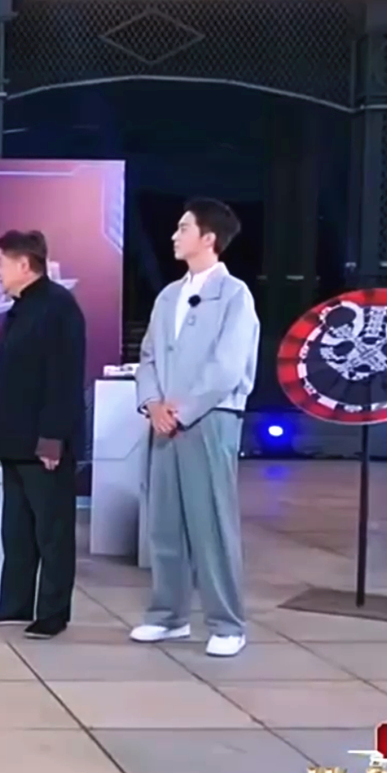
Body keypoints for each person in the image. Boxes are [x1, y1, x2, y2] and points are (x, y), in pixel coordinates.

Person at [131, 198, 259, 658]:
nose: (174, 235)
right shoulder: (169, 295)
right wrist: (152, 404)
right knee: (164, 522)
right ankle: (169, 616)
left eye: (183, 228)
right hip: (163, 421)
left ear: (208, 238)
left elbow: (227, 366)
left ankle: (227, 624)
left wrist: (181, 410)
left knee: (211, 523)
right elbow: (148, 356)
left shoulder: (235, 295)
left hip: (209, 418)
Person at [0, 229, 87, 640]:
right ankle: (15, 604)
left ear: (24, 264)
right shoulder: (21, 308)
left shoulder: (58, 307)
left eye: (0, 264)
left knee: (52, 532)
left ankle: (53, 612)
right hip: (14, 440)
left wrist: (53, 438)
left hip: (44, 443)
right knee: (17, 530)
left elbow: (64, 378)